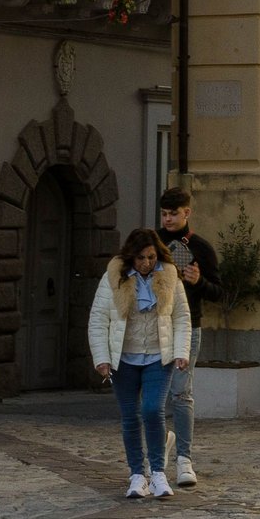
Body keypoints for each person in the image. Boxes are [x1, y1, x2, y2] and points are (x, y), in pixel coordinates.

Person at [88, 227, 191, 500]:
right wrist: (102, 358)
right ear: (130, 257)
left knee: (152, 409)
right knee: (130, 416)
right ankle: (137, 474)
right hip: (124, 358)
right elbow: (99, 319)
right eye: (140, 258)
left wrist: (181, 351)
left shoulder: (170, 277)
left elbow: (181, 317)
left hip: (160, 356)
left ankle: (157, 472)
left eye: (151, 257)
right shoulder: (112, 279)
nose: (146, 263)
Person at [155, 187, 221, 488]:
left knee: (181, 393)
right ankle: (163, 440)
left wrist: (200, 282)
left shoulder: (202, 248)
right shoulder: (151, 243)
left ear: (187, 213)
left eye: (174, 214)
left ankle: (184, 459)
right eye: (164, 214)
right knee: (152, 399)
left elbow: (221, 293)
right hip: (153, 327)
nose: (168, 220)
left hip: (188, 327)